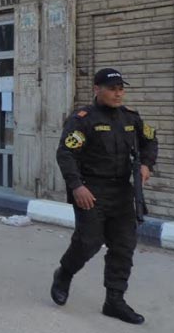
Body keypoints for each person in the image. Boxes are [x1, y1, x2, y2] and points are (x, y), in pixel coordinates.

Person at [50, 68, 158, 324]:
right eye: (112, 89)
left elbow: (150, 140)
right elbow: (66, 154)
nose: (118, 93)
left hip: (122, 192)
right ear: (96, 89)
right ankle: (64, 273)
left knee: (123, 246)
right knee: (88, 242)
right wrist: (77, 187)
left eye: (121, 89)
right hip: (91, 191)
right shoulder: (83, 119)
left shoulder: (131, 118)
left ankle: (114, 301)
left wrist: (146, 165)